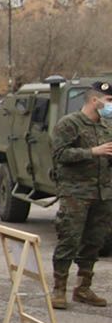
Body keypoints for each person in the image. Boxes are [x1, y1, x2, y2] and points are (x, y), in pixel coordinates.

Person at [50, 80, 112, 308]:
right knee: (69, 239)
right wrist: (92, 152)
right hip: (76, 193)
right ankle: (59, 289)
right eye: (109, 101)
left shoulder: (106, 126)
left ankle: (83, 287)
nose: (110, 105)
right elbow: (59, 155)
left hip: (103, 193)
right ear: (94, 100)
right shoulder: (70, 124)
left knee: (94, 241)